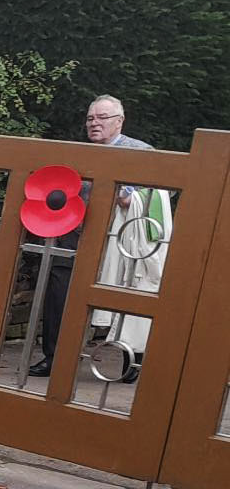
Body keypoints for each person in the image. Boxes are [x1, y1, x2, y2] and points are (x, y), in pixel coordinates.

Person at [31, 96, 154, 377]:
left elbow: (161, 192)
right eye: (90, 118)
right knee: (59, 292)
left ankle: (130, 361)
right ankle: (54, 358)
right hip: (78, 234)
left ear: (119, 121)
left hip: (122, 239)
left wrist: (131, 196)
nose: (94, 123)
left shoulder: (142, 151)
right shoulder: (79, 154)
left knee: (125, 295)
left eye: (102, 117)